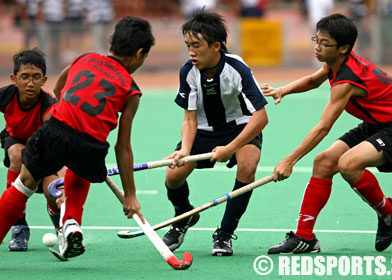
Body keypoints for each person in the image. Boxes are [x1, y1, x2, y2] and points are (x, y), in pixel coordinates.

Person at [261, 13, 392, 254]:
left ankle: (388, 211)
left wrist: (289, 160)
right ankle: (305, 237)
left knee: (348, 164)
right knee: (324, 162)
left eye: (325, 44)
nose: (318, 47)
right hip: (376, 123)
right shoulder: (336, 63)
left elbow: (323, 127)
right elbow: (313, 81)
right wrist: (283, 90)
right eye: (317, 40)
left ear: (344, 48)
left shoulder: (348, 80)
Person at [0, 16, 155, 259]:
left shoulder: (85, 58)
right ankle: (71, 223)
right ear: (139, 53)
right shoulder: (131, 89)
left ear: (112, 42)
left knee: (24, 184)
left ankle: (59, 225)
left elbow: (59, 90)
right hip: (91, 146)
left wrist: (69, 114)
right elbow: (122, 147)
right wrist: (131, 196)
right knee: (80, 171)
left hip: (56, 129)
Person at [163, 10, 268, 257]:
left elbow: (261, 117)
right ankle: (184, 215)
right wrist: (185, 151)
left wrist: (231, 148)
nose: (191, 51)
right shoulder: (187, 71)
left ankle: (225, 233)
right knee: (172, 176)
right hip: (203, 131)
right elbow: (189, 120)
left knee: (248, 165)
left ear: (216, 46)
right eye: (188, 45)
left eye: (196, 45)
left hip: (240, 128)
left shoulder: (236, 68)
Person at [0, 48, 64, 251]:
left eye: (36, 77)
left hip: (43, 151)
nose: (30, 83)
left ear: (44, 80)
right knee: (18, 154)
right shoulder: (6, 95)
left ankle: (58, 220)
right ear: (14, 78)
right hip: (16, 140)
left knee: (53, 192)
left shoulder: (49, 105)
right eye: (24, 77)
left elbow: (51, 143)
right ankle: (18, 225)